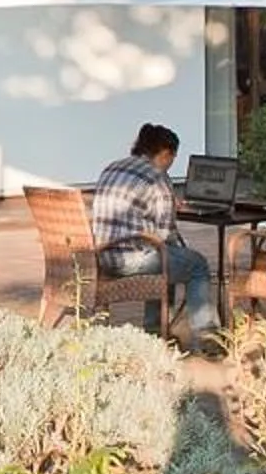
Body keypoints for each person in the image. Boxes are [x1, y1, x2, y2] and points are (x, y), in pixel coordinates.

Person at [88, 122, 220, 347]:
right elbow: (165, 233)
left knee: (167, 255)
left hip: (100, 256)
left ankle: (156, 331)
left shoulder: (112, 168)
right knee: (195, 264)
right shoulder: (157, 178)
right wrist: (169, 205)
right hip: (130, 260)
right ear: (166, 153)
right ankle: (207, 338)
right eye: (172, 158)